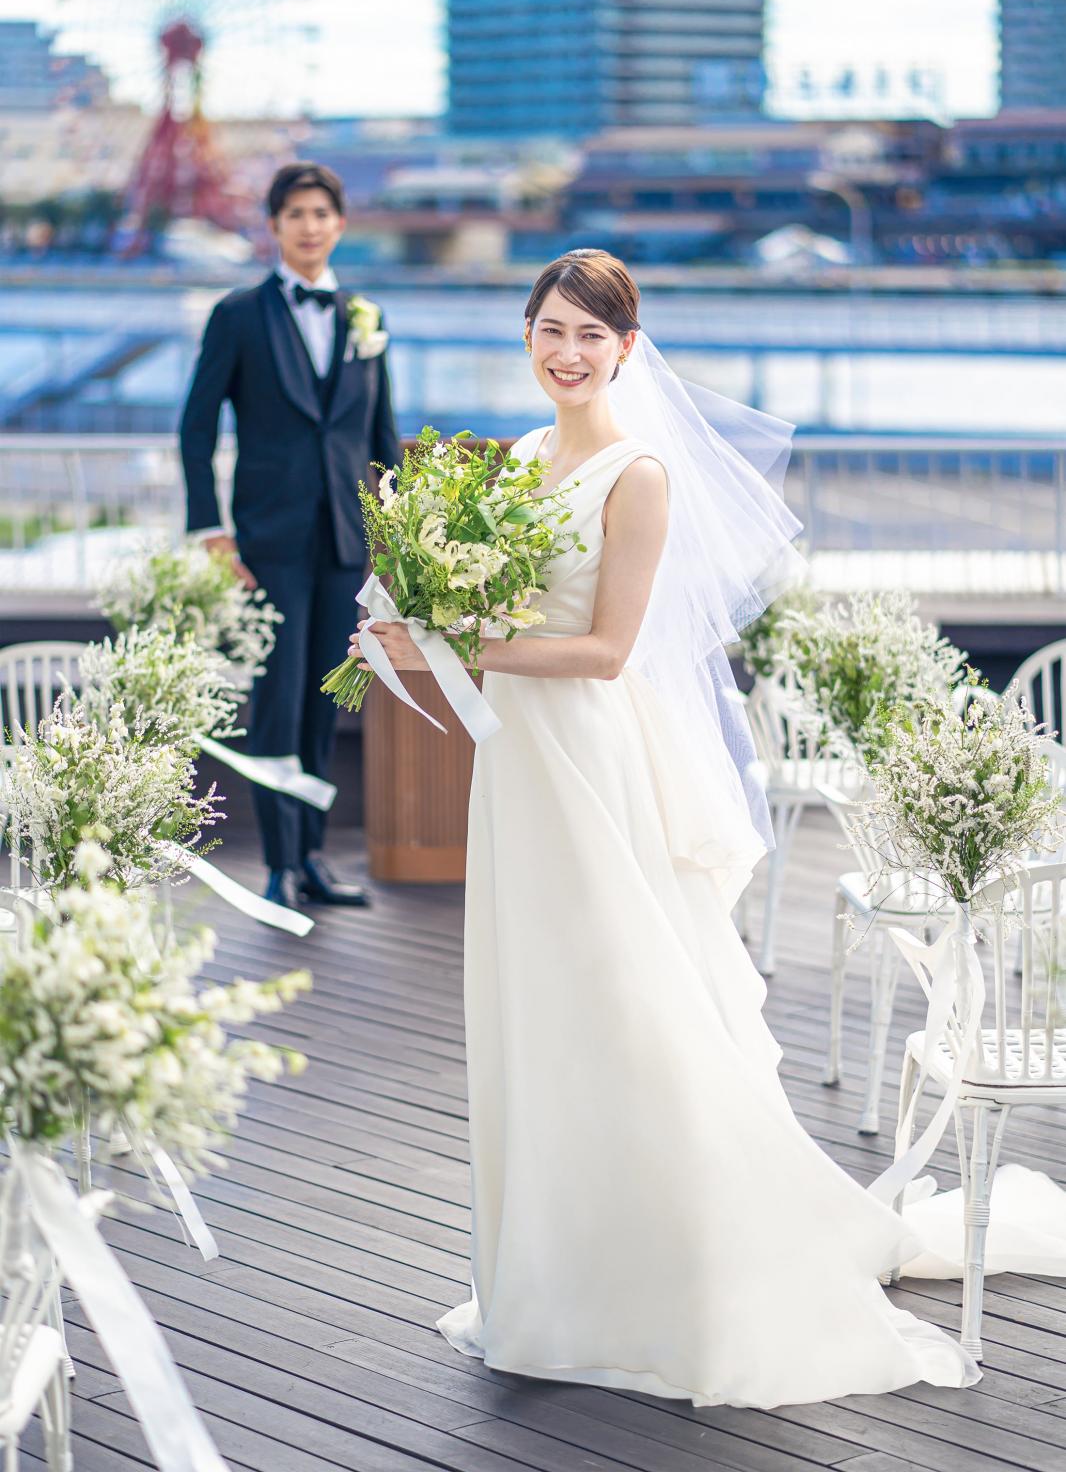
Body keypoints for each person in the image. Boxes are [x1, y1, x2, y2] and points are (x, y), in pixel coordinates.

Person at [351, 248, 980, 1409]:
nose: (568, 353)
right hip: (518, 768)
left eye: (591, 335)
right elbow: (486, 613)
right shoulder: (523, 458)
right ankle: (555, 1269)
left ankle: (666, 1269)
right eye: (549, 329)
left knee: (624, 996)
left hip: (590, 762)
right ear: (526, 337)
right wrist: (418, 625)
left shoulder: (638, 474)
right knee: (536, 1001)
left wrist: (446, 647)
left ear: (626, 350)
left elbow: (601, 652)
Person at [179, 162, 400, 912]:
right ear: (273, 226)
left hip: (344, 541)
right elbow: (196, 426)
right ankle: (275, 865)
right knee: (275, 700)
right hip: (266, 543)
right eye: (296, 213)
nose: (310, 225)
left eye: (322, 213)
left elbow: (382, 437)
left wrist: (395, 539)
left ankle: (311, 858)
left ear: (340, 225)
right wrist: (210, 528)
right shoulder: (238, 315)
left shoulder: (366, 316)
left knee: (324, 703)